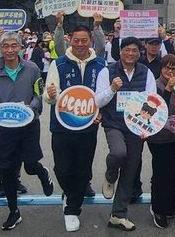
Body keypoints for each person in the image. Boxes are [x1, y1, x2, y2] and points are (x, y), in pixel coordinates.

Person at [0, 31, 54, 231]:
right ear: (0, 49)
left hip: (28, 125)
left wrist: (29, 108)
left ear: (21, 47)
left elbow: (39, 94)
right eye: (5, 46)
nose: (10, 50)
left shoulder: (32, 68)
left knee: (30, 165)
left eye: (14, 46)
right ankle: (13, 211)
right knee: (7, 170)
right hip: (4, 127)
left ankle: (42, 173)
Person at [44, 24, 106, 232]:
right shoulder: (59, 64)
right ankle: (70, 193)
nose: (80, 44)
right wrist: (51, 95)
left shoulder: (100, 64)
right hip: (61, 126)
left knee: (83, 169)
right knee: (62, 168)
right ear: (69, 40)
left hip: (88, 127)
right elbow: (48, 95)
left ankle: (72, 209)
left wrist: (100, 113)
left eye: (84, 40)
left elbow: (104, 96)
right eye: (76, 40)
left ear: (91, 41)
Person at [95, 36, 157, 231]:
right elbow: (98, 100)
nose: (130, 53)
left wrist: (148, 128)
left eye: (134, 51)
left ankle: (118, 215)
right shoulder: (107, 71)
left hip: (136, 127)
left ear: (139, 53)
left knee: (131, 169)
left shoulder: (145, 72)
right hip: (113, 123)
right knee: (118, 153)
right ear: (120, 51)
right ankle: (110, 175)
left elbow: (152, 100)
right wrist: (112, 89)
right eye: (127, 50)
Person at [147, 55, 175, 229]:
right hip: (158, 137)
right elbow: (156, 109)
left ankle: (169, 206)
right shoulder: (154, 84)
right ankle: (158, 209)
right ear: (161, 68)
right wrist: (168, 89)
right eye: (166, 67)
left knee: (174, 172)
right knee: (161, 172)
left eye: (173, 68)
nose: (170, 71)